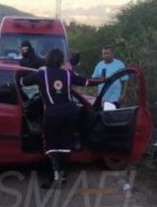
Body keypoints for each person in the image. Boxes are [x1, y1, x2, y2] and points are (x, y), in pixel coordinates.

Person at [21, 48, 103, 188]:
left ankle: (55, 179)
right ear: (61, 60)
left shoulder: (42, 74)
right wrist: (105, 79)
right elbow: (87, 82)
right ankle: (63, 177)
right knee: (65, 145)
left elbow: (23, 82)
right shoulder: (68, 73)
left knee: (52, 146)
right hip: (70, 113)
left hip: (52, 114)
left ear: (47, 59)